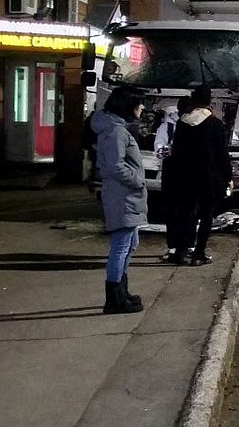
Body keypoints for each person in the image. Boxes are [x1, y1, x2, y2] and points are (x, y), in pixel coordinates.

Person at [91, 87, 148, 314]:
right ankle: (114, 298)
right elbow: (116, 166)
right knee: (121, 245)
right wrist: (138, 181)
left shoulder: (117, 129)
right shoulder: (116, 132)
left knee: (130, 244)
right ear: (127, 105)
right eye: (139, 103)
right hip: (123, 196)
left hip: (126, 196)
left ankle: (122, 293)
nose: (142, 107)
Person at [169, 86, 231, 266]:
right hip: (208, 178)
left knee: (186, 213)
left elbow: (176, 152)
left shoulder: (182, 122)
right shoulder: (215, 124)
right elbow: (222, 155)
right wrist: (228, 176)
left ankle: (181, 252)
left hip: (185, 177)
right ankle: (199, 253)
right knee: (206, 216)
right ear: (209, 102)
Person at [159, 97, 192, 264]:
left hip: (189, 175)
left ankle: (187, 245)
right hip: (173, 175)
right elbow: (159, 151)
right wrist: (175, 149)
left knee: (190, 212)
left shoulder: (195, 126)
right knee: (173, 212)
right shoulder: (168, 127)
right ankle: (173, 246)